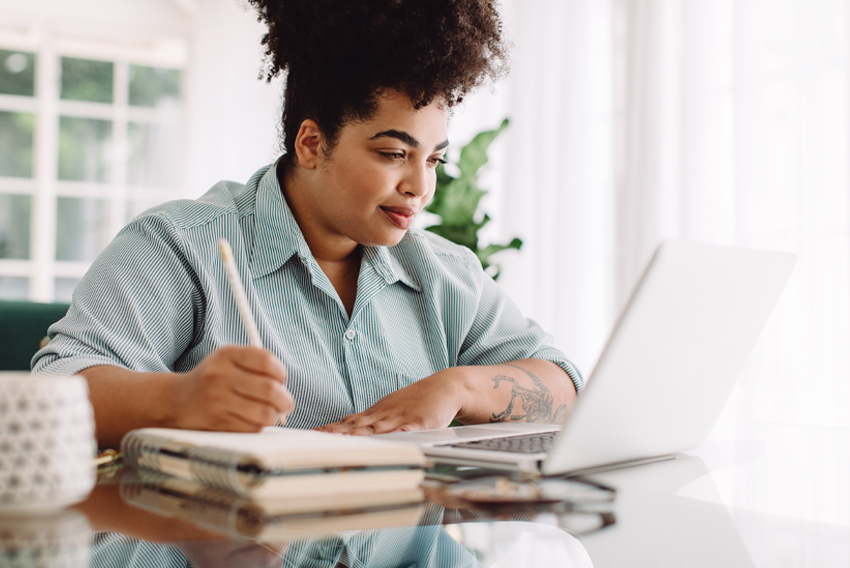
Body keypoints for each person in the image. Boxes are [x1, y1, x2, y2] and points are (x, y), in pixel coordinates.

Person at [32, 0, 583, 449]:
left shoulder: (446, 274)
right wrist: (180, 399)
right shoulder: (181, 245)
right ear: (312, 143)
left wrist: (456, 387)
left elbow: (564, 385)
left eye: (434, 159)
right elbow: (54, 390)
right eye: (394, 153)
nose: (420, 185)